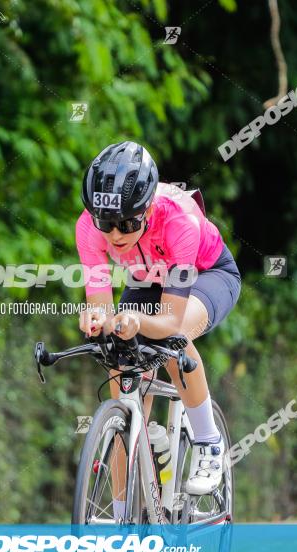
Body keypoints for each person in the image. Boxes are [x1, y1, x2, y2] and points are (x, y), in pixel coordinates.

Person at [75, 141, 241, 516]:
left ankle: (208, 441)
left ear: (148, 208)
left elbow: (168, 319)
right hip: (147, 279)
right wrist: (98, 319)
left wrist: (135, 321)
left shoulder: (179, 220)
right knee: (120, 369)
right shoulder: (88, 227)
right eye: (106, 223)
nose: (115, 234)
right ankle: (125, 532)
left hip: (207, 275)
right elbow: (101, 306)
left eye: (128, 223)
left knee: (170, 339)